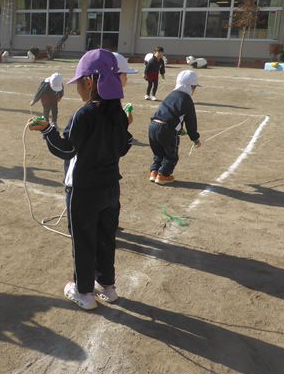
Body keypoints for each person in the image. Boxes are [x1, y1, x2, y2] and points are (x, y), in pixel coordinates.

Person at [29, 49, 132, 310]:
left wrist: (48, 131)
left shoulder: (84, 114)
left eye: (79, 83)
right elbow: (123, 147)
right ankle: (107, 286)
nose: (77, 89)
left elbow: (66, 150)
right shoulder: (119, 113)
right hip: (111, 187)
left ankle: (84, 291)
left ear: (89, 82)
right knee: (106, 238)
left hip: (84, 190)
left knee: (84, 240)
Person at [148, 69, 202, 185]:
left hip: (153, 126)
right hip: (167, 129)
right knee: (171, 155)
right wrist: (195, 138)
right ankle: (163, 175)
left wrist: (179, 129)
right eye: (194, 87)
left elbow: (169, 113)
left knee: (159, 152)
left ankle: (154, 172)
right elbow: (191, 122)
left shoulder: (171, 95)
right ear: (190, 87)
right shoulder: (187, 99)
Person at [113, 52, 138, 125]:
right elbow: (124, 122)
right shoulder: (113, 98)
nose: (126, 78)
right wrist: (128, 113)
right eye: (125, 75)